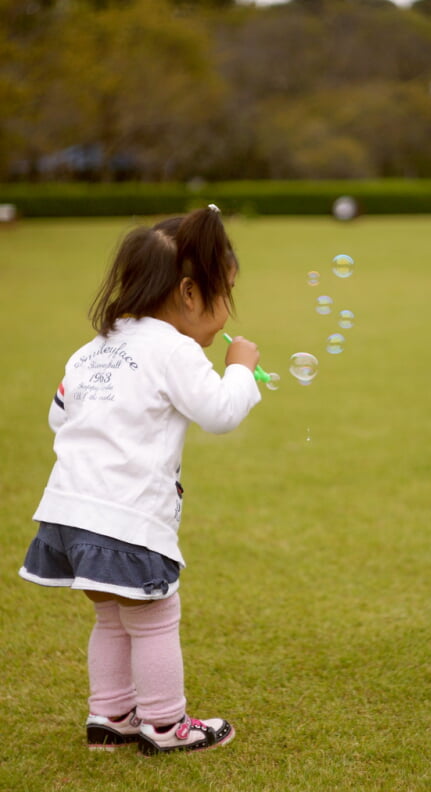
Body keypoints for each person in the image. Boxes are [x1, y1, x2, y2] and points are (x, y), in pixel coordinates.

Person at [19, 206, 261, 755]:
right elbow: (221, 412)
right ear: (190, 294)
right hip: (126, 519)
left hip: (66, 516)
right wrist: (241, 367)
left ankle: (109, 716)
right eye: (225, 294)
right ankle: (164, 723)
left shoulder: (91, 349)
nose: (225, 315)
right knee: (154, 618)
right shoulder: (174, 349)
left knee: (111, 615)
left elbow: (61, 415)